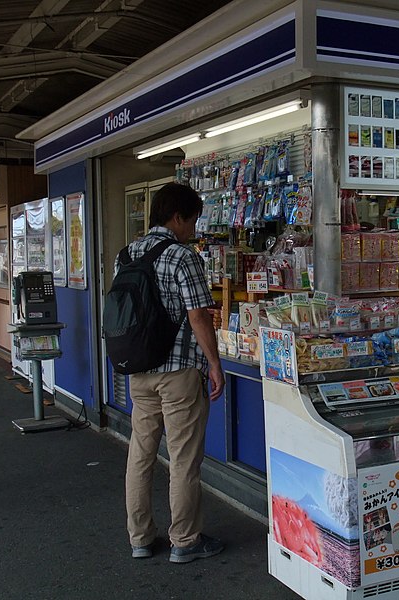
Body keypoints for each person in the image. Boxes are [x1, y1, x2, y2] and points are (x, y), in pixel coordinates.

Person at [118, 182, 225, 563]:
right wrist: (214, 363)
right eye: (193, 220)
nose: (194, 228)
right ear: (177, 217)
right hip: (178, 372)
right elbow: (198, 315)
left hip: (139, 369)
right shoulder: (183, 256)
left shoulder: (127, 253)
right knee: (182, 458)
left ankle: (140, 538)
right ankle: (185, 540)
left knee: (141, 453)